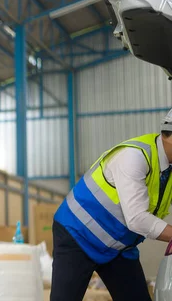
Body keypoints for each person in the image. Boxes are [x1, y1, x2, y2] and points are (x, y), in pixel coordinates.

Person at [51, 110, 172, 301]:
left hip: (118, 247)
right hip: (78, 235)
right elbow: (137, 219)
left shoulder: (169, 168)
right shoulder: (134, 157)